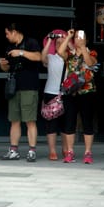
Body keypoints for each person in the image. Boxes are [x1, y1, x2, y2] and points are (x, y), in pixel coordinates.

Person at [0, 23, 41, 162]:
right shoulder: (10, 47)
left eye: (7, 33)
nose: (6, 36)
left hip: (29, 87)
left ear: (14, 31)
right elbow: (7, 68)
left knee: (30, 120)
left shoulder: (31, 42)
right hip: (14, 88)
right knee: (14, 120)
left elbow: (38, 57)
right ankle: (13, 150)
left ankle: (32, 151)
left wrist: (21, 52)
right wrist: (3, 65)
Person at [59, 29, 98, 164]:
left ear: (86, 40)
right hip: (71, 92)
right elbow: (59, 52)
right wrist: (68, 37)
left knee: (87, 122)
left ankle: (88, 152)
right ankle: (70, 152)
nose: (78, 39)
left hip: (87, 92)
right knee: (70, 122)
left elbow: (90, 62)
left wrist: (83, 48)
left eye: (81, 37)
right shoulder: (69, 54)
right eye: (76, 37)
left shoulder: (91, 52)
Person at [40, 29, 68, 161]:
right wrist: (50, 40)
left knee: (66, 124)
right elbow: (42, 57)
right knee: (51, 125)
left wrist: (68, 38)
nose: (60, 44)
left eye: (63, 42)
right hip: (51, 93)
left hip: (67, 93)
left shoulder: (71, 57)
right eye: (58, 43)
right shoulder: (51, 58)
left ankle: (66, 149)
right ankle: (52, 151)